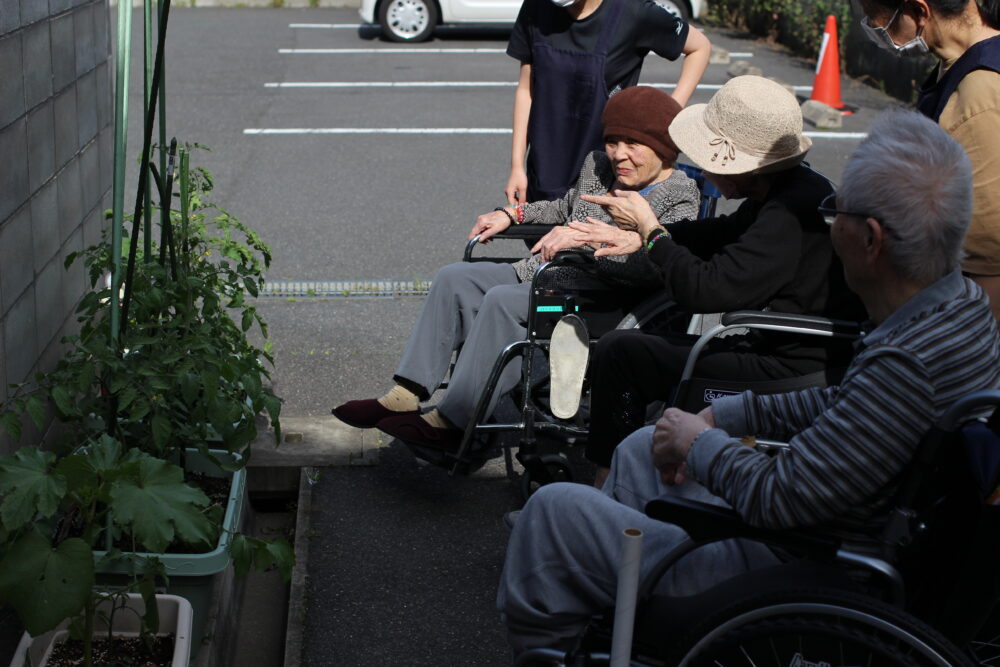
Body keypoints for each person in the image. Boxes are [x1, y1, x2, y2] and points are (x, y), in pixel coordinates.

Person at [496, 108, 1000, 659]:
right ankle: (620, 611)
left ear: (871, 240)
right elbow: (843, 405)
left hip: (796, 565)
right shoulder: (961, 307)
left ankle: (570, 640)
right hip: (842, 530)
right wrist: (727, 417)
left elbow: (783, 497)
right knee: (643, 446)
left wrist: (700, 443)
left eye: (838, 215)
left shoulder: (905, 363)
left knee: (552, 512)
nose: (830, 224)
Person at [331, 87, 700, 453]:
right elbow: (563, 208)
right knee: (454, 278)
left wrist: (588, 241)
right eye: (613, 141)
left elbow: (657, 269)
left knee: (502, 301)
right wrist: (512, 214)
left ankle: (454, 421)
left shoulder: (679, 194)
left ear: (663, 147)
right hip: (549, 276)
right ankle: (405, 394)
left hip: (606, 299)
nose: (619, 154)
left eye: (633, 144)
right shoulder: (599, 166)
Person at [565, 75, 865, 487]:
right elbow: (721, 232)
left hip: (789, 367)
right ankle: (624, 478)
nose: (703, 167)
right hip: (785, 347)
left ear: (742, 166)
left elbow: (704, 290)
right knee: (629, 350)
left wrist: (652, 232)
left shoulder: (788, 213)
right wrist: (641, 236)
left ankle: (608, 487)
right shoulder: (792, 188)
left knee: (621, 352)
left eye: (709, 156)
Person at [859, 0, 1000, 321]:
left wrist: (957, 338)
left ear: (919, 12)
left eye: (874, 18)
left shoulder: (981, 92)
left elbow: (990, 257)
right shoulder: (959, 63)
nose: (872, 28)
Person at [504, 0, 711, 204]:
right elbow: (526, 90)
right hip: (543, 171)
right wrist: (517, 166)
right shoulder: (536, 7)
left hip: (605, 178)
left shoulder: (633, 11)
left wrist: (669, 114)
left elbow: (699, 47)